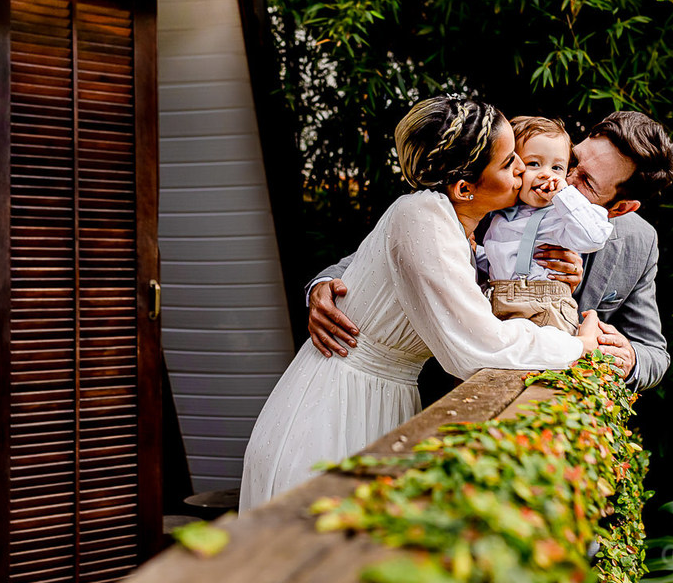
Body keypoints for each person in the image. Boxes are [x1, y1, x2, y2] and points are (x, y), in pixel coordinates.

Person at [239, 97, 601, 510]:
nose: (522, 169)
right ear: (464, 188)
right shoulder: (423, 219)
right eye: (509, 163)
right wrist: (578, 346)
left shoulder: (457, 224)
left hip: (383, 399)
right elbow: (477, 345)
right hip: (334, 410)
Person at [308, 111, 673, 392]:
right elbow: (401, 239)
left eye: (584, 181)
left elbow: (653, 352)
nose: (560, 178)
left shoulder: (638, 242)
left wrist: (629, 358)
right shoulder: (498, 186)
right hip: (455, 391)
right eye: (573, 159)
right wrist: (327, 282)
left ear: (619, 209)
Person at [479, 116, 612, 333]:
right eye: (533, 163)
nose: (546, 174)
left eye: (557, 167)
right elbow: (499, 260)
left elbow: (594, 237)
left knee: (546, 364)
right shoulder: (500, 216)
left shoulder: (562, 215)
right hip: (498, 304)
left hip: (545, 308)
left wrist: (564, 195)